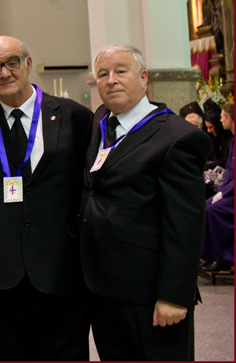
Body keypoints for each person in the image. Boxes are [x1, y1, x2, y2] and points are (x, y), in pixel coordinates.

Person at [0, 36, 92, 360]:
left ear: (28, 64)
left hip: (62, 270)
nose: (4, 72)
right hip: (1, 275)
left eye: (12, 62)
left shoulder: (74, 116)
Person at [81, 44, 211, 360]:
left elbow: (186, 224)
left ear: (143, 77)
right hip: (104, 290)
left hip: (150, 294)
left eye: (120, 71)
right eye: (103, 74)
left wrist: (174, 296)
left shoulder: (177, 137)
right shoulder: (101, 121)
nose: (111, 80)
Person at [202, 103, 234, 272]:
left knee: (213, 211)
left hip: (233, 193)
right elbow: (229, 170)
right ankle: (208, 254)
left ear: (229, 119)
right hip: (229, 189)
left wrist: (223, 193)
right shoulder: (233, 140)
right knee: (205, 206)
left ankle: (221, 258)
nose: (220, 120)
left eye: (222, 117)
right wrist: (221, 191)